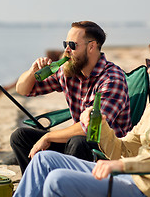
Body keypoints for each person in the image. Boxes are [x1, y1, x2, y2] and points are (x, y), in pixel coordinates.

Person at [13, 33, 150, 197]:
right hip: (131, 176)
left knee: (57, 180)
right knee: (43, 160)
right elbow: (124, 149)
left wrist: (124, 165)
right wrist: (100, 127)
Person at [10, 21, 132, 173]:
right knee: (20, 136)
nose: (67, 50)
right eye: (65, 44)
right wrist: (32, 71)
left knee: (78, 141)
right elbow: (23, 90)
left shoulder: (112, 79)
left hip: (107, 151)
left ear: (91, 46)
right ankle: (38, 185)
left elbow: (93, 128)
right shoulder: (69, 71)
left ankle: (67, 188)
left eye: (73, 45)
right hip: (79, 143)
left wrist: (48, 137)